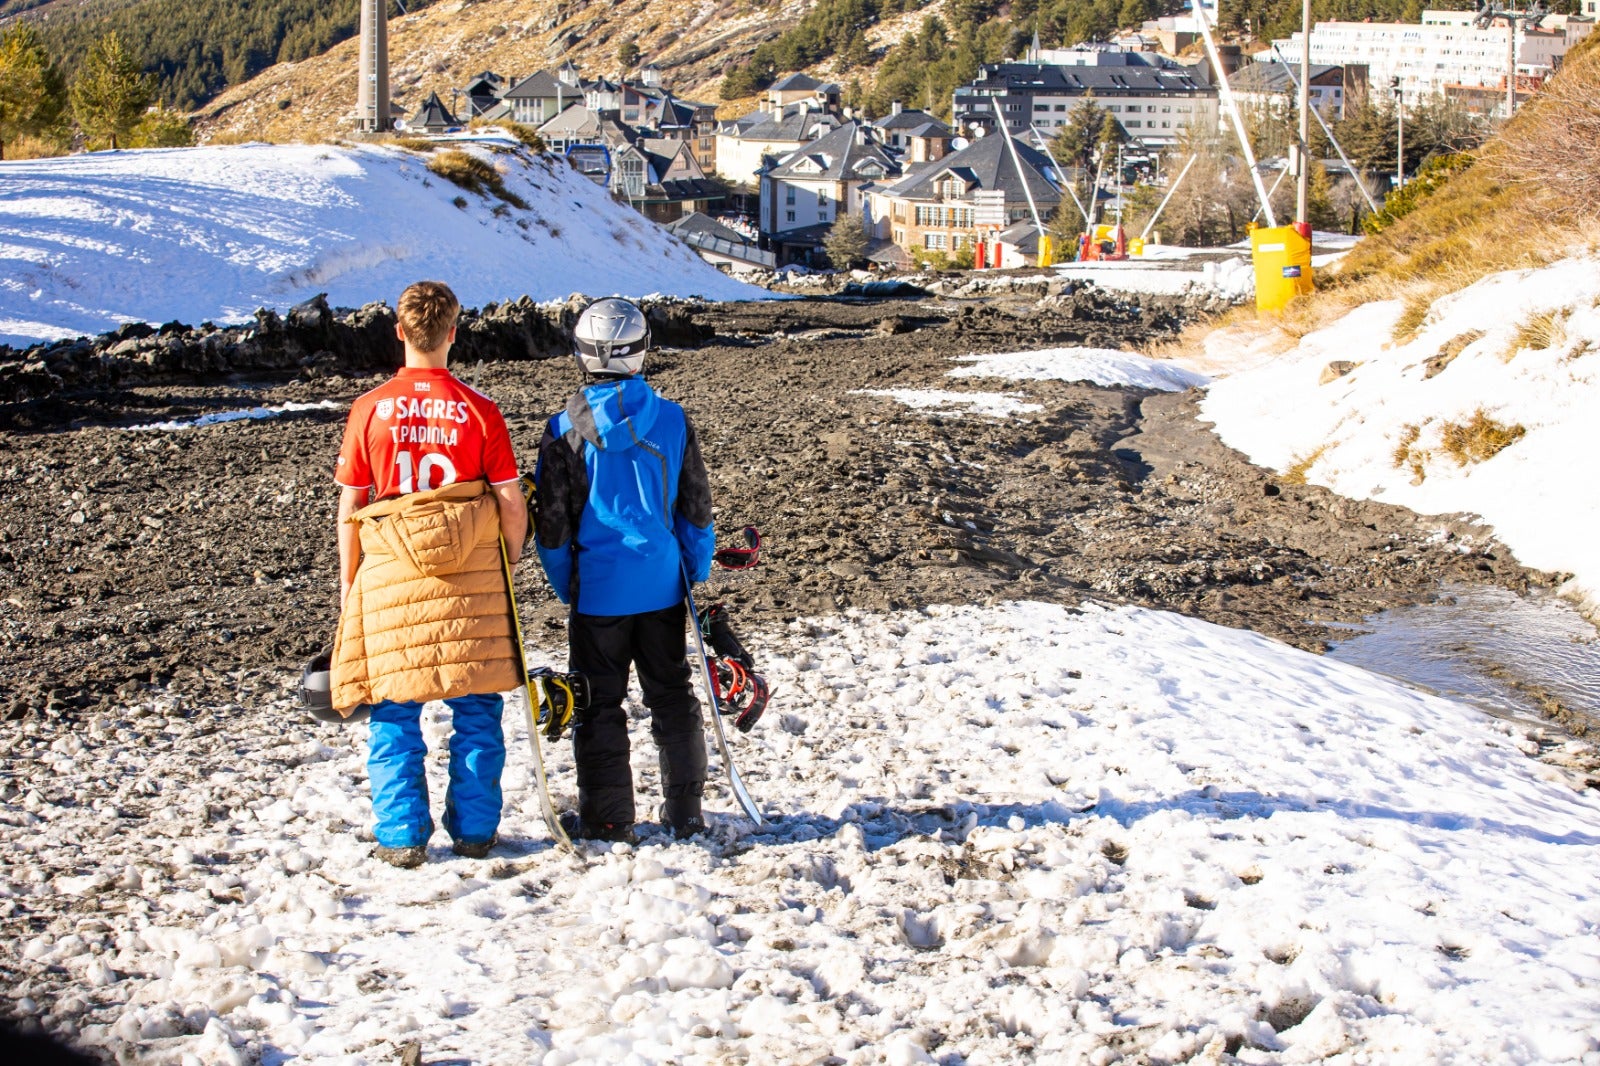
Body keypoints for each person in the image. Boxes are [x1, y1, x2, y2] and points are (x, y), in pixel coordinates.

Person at [330, 280, 528, 868]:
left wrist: (350, 586)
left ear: (399, 331)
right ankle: (473, 831)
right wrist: (507, 559)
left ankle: (401, 837)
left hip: (389, 575)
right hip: (472, 574)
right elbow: (511, 500)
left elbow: (350, 509)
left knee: (392, 713)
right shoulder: (478, 409)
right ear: (452, 333)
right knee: (477, 713)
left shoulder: (368, 409)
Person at [534, 298, 715, 843]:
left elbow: (553, 528)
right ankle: (685, 813)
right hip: (661, 587)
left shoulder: (562, 428)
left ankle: (608, 820)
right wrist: (692, 570)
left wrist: (568, 584)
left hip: (598, 598)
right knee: (672, 697)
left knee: (597, 705)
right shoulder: (673, 419)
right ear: (641, 353)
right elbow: (696, 511)